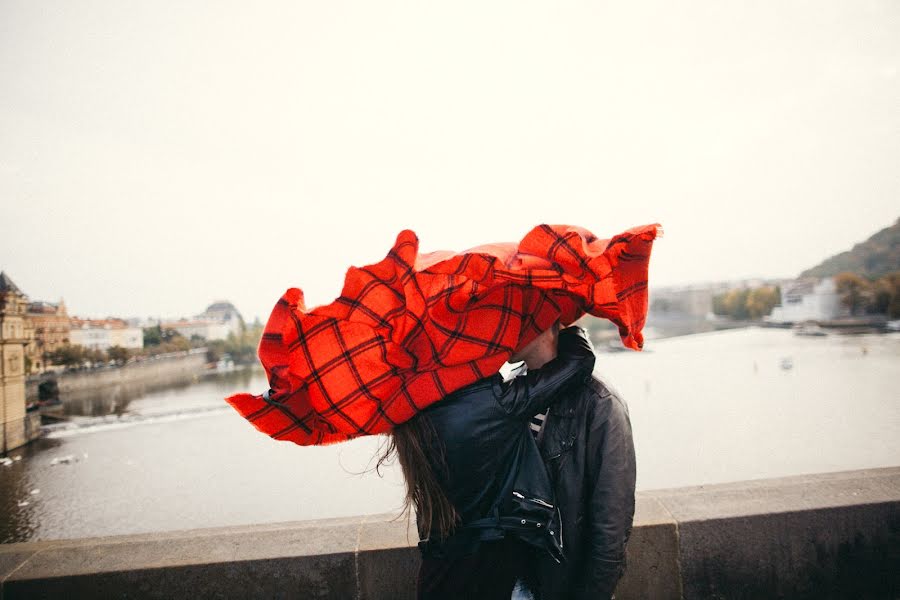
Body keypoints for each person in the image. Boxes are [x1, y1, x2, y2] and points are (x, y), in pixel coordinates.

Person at [381, 324, 596, 600]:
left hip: (441, 577)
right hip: (492, 576)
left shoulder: (414, 414)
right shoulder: (492, 401)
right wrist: (566, 325)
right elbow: (580, 361)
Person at [511, 327, 636, 600]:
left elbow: (610, 530)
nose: (504, 328)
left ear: (542, 322)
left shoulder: (600, 402)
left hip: (563, 585)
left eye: (515, 316)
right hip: (514, 577)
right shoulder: (511, 388)